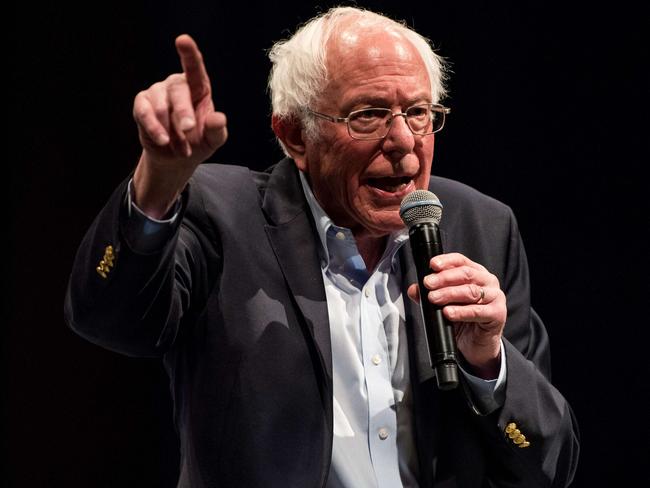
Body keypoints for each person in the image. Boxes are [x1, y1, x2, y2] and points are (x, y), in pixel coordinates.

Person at [64, 6, 579, 487]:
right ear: (294, 136)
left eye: (419, 112)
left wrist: (488, 362)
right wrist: (157, 183)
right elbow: (108, 319)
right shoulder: (220, 215)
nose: (403, 141)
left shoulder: (482, 226)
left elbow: (547, 465)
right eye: (368, 115)